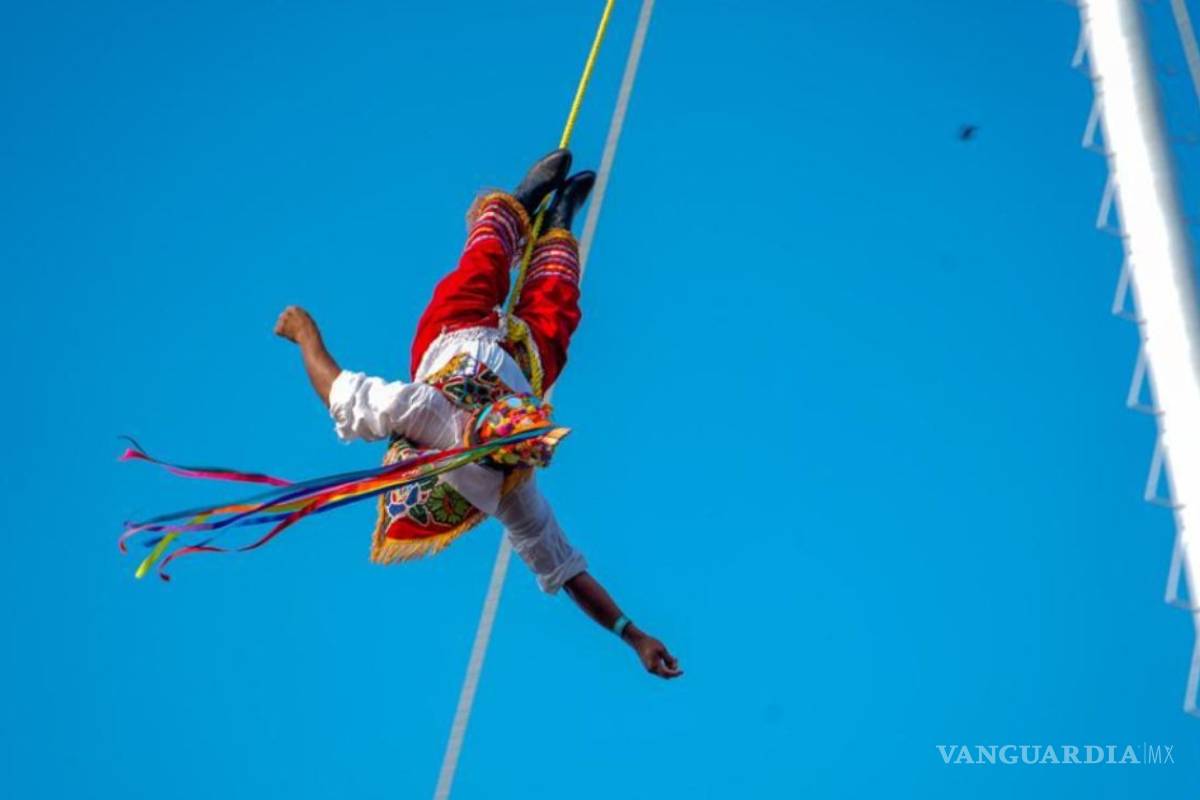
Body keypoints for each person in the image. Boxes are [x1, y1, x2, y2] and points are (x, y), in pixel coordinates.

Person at [273, 150, 681, 679]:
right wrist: (633, 634)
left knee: (480, 269)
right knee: (555, 310)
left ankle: (516, 206)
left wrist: (305, 335)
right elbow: (567, 569)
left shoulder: (420, 415)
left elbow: (340, 395)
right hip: (526, 363)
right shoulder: (510, 491)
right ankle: (558, 228)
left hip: (453, 332)